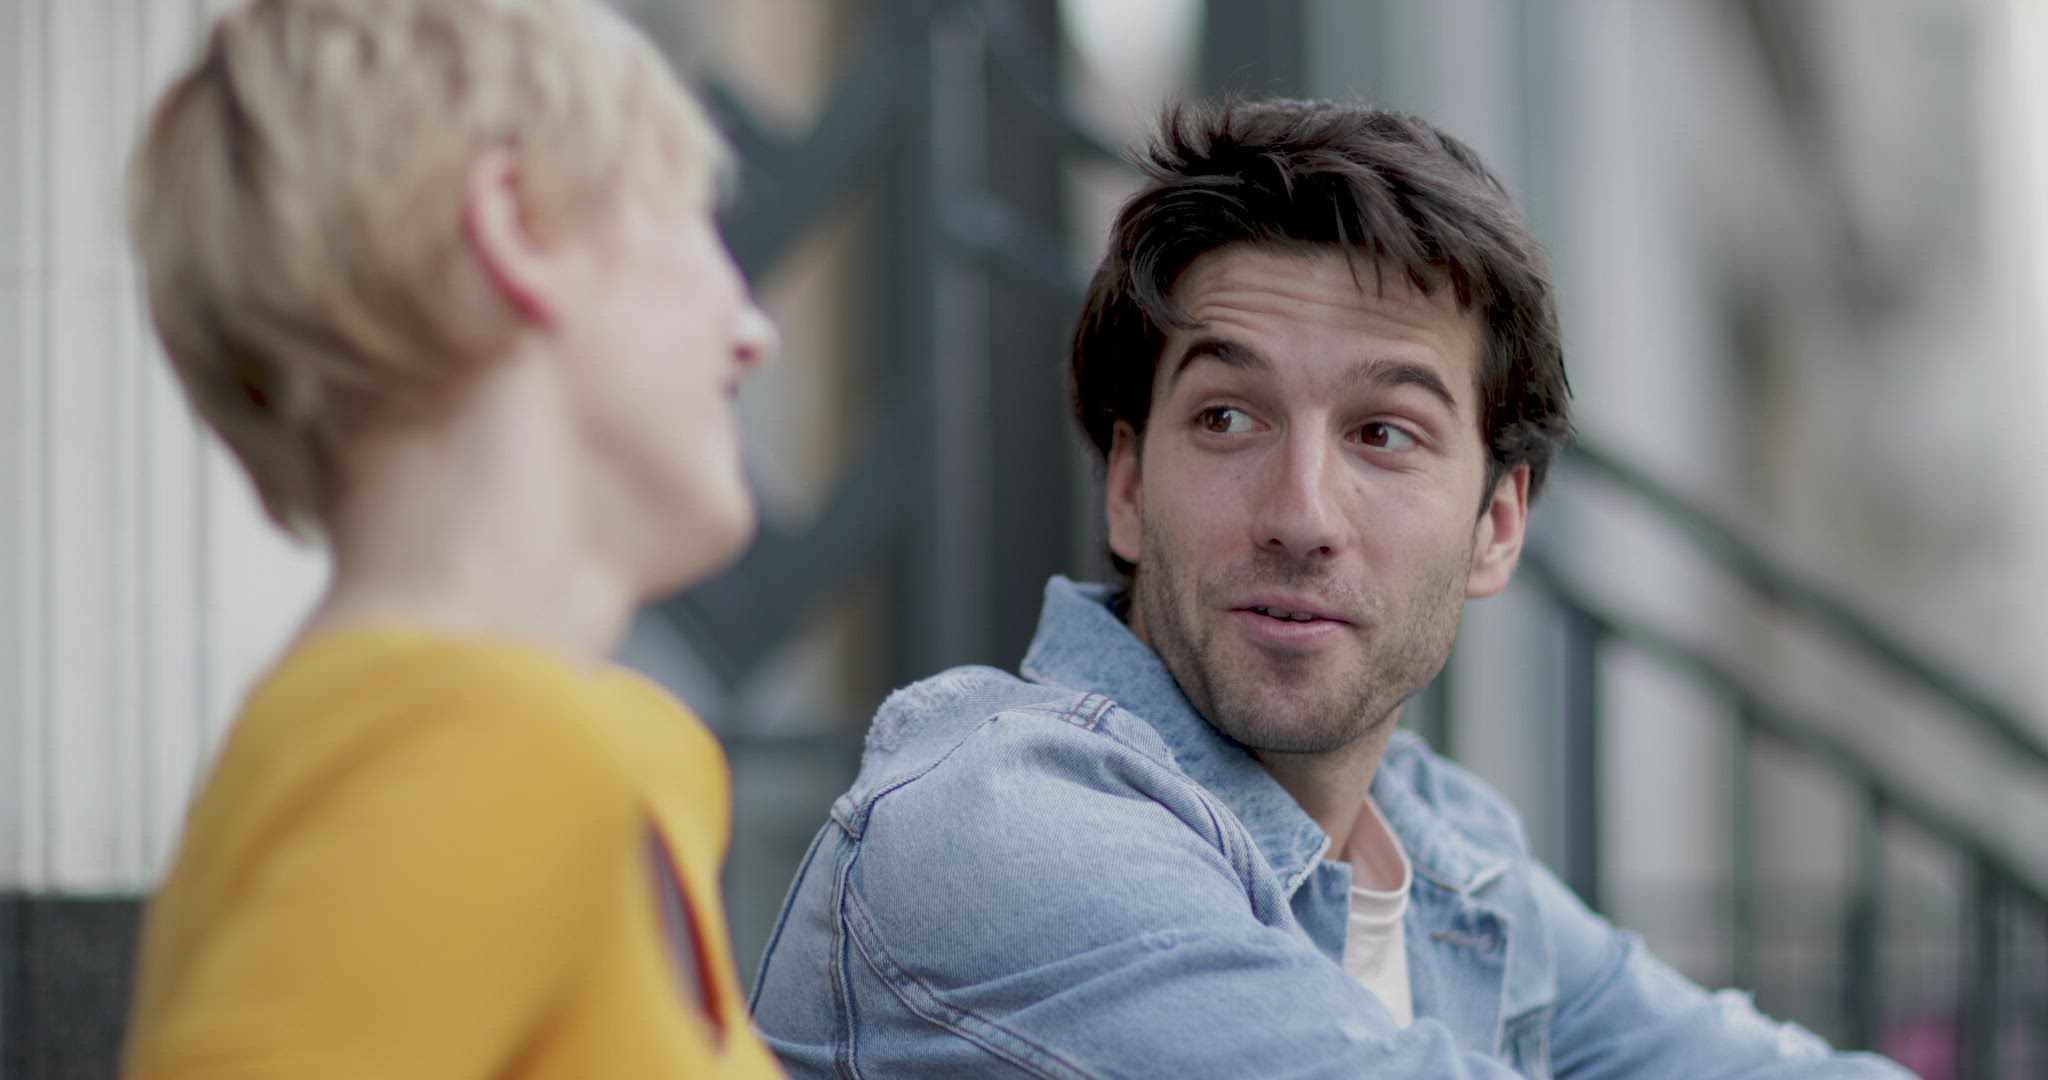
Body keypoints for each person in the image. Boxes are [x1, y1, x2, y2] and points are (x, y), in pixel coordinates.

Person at [748, 99, 1911, 1078]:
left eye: (1382, 433)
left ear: (1497, 526)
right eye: (1226, 417)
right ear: (1126, 487)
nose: (1300, 515)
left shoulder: (1445, 854)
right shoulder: (999, 824)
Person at [119, 1, 785, 1076]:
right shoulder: (486, 738)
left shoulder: (554, 741)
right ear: (517, 226)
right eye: (690, 222)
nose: (755, 331)